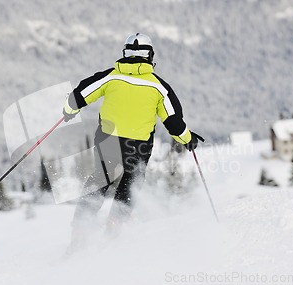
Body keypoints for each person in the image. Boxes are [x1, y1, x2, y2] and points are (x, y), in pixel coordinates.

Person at [63, 33, 204, 249]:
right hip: (138, 147)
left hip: (107, 141)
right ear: (150, 56)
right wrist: (188, 139)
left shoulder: (110, 77)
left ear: (125, 53)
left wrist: (69, 110)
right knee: (129, 185)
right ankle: (115, 230)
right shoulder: (159, 87)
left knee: (100, 180)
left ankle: (80, 232)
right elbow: (174, 122)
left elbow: (80, 94)